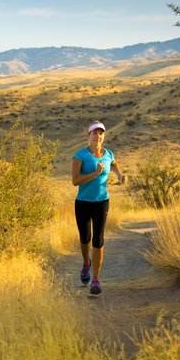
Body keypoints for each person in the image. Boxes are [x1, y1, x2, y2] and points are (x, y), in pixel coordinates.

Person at [71, 121, 126, 295]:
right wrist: (95, 173)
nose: (98, 137)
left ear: (104, 136)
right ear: (88, 136)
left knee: (98, 240)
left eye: (101, 133)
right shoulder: (80, 155)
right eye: (94, 133)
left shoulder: (108, 154)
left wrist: (119, 174)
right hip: (83, 202)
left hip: (102, 201)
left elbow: (114, 163)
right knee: (85, 238)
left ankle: (95, 279)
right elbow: (75, 180)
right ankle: (86, 264)